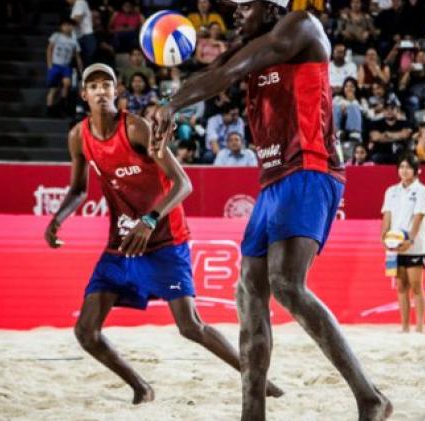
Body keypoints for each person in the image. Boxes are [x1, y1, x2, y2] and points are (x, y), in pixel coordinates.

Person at [148, 3, 392, 420]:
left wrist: (173, 105)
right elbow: (212, 73)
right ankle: (252, 411)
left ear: (273, 5)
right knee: (249, 288)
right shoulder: (251, 44)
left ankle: (370, 398)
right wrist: (167, 102)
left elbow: (223, 75)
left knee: (285, 283)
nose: (236, 13)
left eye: (245, 5)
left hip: (311, 167)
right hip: (275, 178)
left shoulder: (299, 26)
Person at [44, 63, 283, 406]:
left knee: (190, 326)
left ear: (116, 92)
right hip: (123, 243)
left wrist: (151, 219)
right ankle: (141, 387)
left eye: (106, 85)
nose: (100, 91)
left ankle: (259, 381)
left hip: (164, 238)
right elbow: (78, 190)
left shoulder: (136, 128)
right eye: (92, 86)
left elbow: (183, 183)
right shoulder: (78, 136)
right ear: (83, 95)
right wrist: (58, 218)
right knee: (86, 331)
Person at [381, 154, 425, 333]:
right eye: (401, 167)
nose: (404, 170)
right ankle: (404, 327)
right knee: (401, 286)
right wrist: (383, 238)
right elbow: (387, 215)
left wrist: (409, 240)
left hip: (415, 245)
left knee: (416, 286)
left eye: (408, 167)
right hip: (394, 246)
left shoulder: (422, 191)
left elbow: (419, 217)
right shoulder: (391, 191)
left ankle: (420, 328)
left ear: (417, 171)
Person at [46, 18, 82, 116]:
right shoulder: (56, 36)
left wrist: (81, 69)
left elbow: (77, 56)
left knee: (67, 84)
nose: (67, 27)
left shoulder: (73, 41)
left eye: (70, 25)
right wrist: (50, 65)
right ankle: (49, 109)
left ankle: (62, 104)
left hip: (66, 66)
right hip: (55, 65)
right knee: (53, 89)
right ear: (61, 27)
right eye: (65, 25)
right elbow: (49, 49)